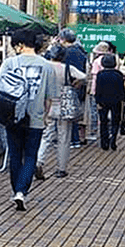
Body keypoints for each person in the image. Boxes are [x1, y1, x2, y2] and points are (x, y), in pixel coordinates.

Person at [0, 28, 57, 211]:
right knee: (30, 155)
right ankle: (22, 191)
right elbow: (49, 98)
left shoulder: (10, 63)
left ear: (20, 45)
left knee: (15, 154)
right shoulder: (47, 66)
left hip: (12, 116)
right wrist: (45, 116)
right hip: (35, 117)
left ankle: (16, 190)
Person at [36, 47, 86, 179]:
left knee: (46, 136)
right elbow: (84, 76)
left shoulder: (44, 67)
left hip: (48, 105)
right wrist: (76, 83)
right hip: (64, 107)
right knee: (64, 138)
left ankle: (39, 160)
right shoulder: (68, 68)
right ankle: (61, 169)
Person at [59, 28, 87, 147]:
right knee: (74, 113)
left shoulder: (65, 52)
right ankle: (75, 139)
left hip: (66, 85)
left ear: (64, 39)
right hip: (79, 85)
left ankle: (69, 139)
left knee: (65, 115)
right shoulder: (81, 51)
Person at [95, 53, 125, 151]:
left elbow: (98, 89)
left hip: (103, 101)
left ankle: (104, 142)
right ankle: (113, 140)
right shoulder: (118, 74)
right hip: (116, 100)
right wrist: (124, 99)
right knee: (115, 121)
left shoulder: (100, 74)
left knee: (103, 122)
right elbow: (122, 88)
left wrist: (97, 101)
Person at [84, 41, 114, 143]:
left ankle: (93, 132)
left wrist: (92, 90)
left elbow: (94, 77)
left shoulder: (97, 62)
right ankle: (107, 130)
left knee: (94, 111)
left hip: (96, 89)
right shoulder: (110, 60)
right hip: (108, 90)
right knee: (106, 111)